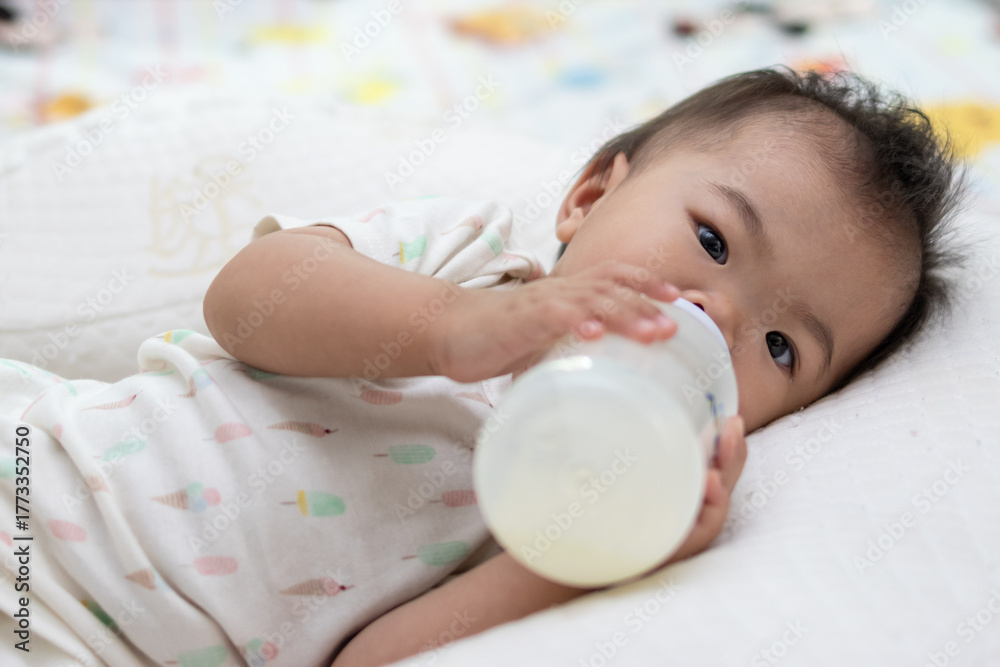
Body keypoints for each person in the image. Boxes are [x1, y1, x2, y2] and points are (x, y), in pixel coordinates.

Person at [0, 67, 964, 667]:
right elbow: (246, 299)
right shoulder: (464, 257)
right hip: (36, 470)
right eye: (712, 238)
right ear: (589, 195)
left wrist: (575, 565)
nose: (719, 311)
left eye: (782, 348)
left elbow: (374, 658)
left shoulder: (574, 503)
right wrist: (452, 324)